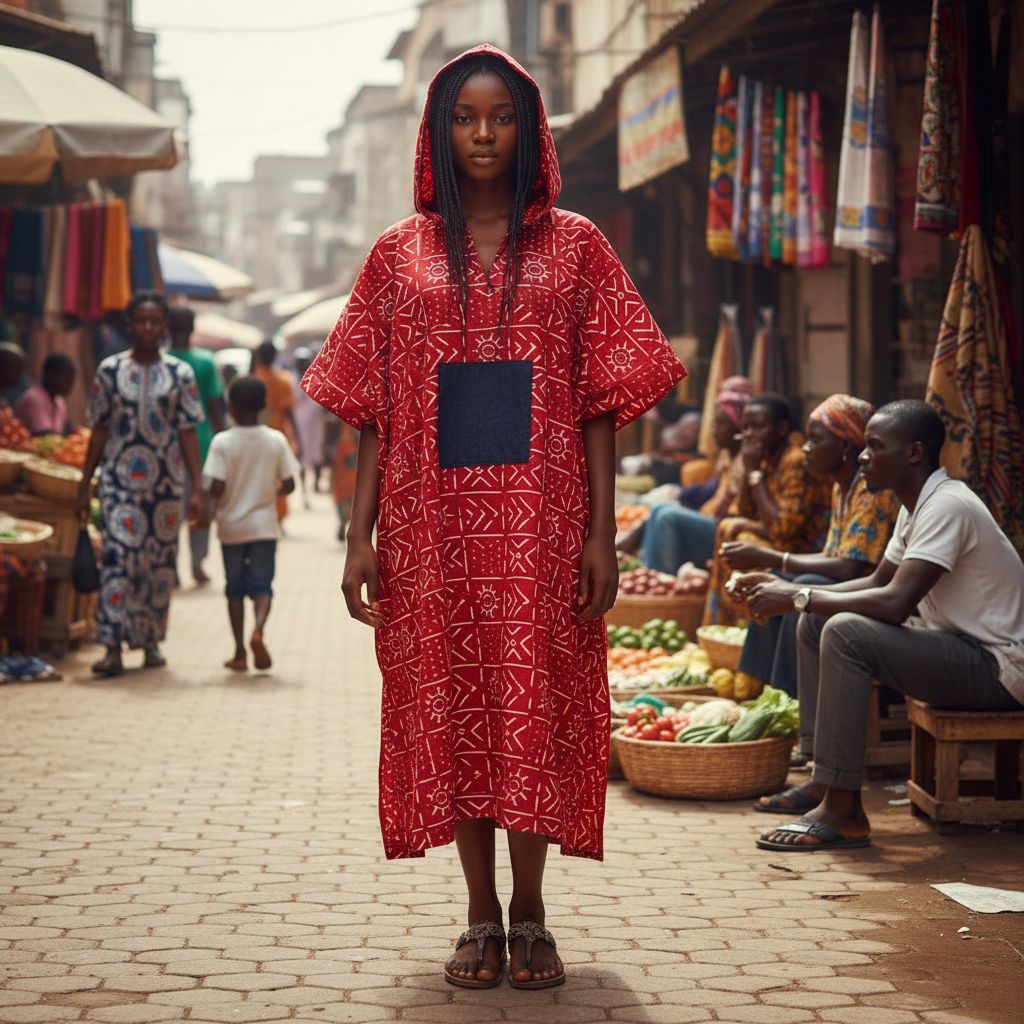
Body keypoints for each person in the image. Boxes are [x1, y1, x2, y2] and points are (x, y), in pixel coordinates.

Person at [300, 45, 685, 990]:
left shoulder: (578, 245)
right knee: (454, 707)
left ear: (529, 130)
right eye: (465, 118)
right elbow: (374, 405)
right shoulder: (398, 254)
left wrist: (602, 529)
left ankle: (534, 911)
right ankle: (477, 913)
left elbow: (600, 397)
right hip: (430, 527)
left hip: (543, 523)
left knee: (533, 704)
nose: (482, 134)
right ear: (439, 129)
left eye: (501, 117)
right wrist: (359, 535)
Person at [737, 400, 1024, 851]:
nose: (864, 456)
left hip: (998, 668)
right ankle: (823, 780)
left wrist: (796, 595)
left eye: (875, 446)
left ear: (912, 453)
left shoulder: (948, 505)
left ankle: (845, 811)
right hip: (956, 649)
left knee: (844, 629)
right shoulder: (915, 506)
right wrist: (795, 596)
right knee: (816, 623)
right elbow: (877, 580)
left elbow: (893, 604)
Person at [723, 394, 899, 703]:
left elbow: (849, 567)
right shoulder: (841, 487)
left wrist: (773, 558)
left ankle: (790, 702)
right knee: (773, 582)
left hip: (869, 596)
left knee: (800, 591)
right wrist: (776, 566)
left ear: (845, 447)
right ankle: (759, 692)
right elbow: (833, 553)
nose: (806, 447)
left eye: (815, 439)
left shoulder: (872, 491)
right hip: (845, 583)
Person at [75, 291, 203, 677]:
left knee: (158, 564)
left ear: (164, 327)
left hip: (165, 487)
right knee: (119, 558)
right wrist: (85, 483)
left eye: (155, 322)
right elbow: (97, 431)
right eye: (141, 321)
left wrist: (197, 488)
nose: (148, 328)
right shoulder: (109, 371)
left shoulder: (180, 374)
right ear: (129, 325)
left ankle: (150, 641)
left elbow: (188, 434)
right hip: (118, 483)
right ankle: (112, 645)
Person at [703, 393, 832, 625]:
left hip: (803, 550)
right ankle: (724, 624)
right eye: (746, 427)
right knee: (729, 528)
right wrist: (749, 467)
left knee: (739, 537)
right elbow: (743, 509)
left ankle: (746, 623)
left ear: (781, 428)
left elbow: (782, 529)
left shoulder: (795, 460)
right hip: (780, 539)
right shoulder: (765, 457)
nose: (749, 434)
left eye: (758, 427)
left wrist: (754, 474)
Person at [203, 376, 297, 673]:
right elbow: (290, 483)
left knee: (234, 589)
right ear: (265, 407)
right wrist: (270, 492)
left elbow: (216, 487)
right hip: (264, 527)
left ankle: (240, 652)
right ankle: (258, 630)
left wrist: (207, 511)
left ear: (230, 406)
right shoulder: (275, 440)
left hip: (231, 528)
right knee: (262, 585)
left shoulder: (222, 442)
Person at [640, 383, 750, 574]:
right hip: (711, 519)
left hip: (727, 531)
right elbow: (711, 490)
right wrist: (680, 494)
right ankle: (650, 575)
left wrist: (692, 507)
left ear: (738, 427)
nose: (714, 431)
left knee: (668, 517)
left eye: (721, 425)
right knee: (659, 508)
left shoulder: (746, 463)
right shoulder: (727, 457)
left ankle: (663, 577)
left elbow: (734, 510)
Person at [167, 307, 226, 585]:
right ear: (191, 329)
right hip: (201, 445)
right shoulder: (204, 361)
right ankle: (197, 563)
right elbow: (215, 406)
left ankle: (172, 568)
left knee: (170, 511)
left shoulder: (163, 361)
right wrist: (223, 442)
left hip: (167, 448)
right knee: (199, 507)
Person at [252, 340, 298, 523]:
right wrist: (297, 437)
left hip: (257, 432)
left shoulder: (254, 379)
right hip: (279, 431)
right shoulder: (283, 381)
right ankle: (277, 513)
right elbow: (289, 413)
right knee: (279, 474)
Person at [291, 348, 327, 508]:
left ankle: (316, 483)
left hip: (315, 423)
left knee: (317, 452)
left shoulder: (317, 377)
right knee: (303, 457)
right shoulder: (292, 381)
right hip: (300, 423)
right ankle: (304, 490)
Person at [14, 354, 75, 435]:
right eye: (66, 377)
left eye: (72, 378)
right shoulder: (33, 399)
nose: (70, 383)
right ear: (49, 374)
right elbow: (45, 435)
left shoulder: (60, 402)